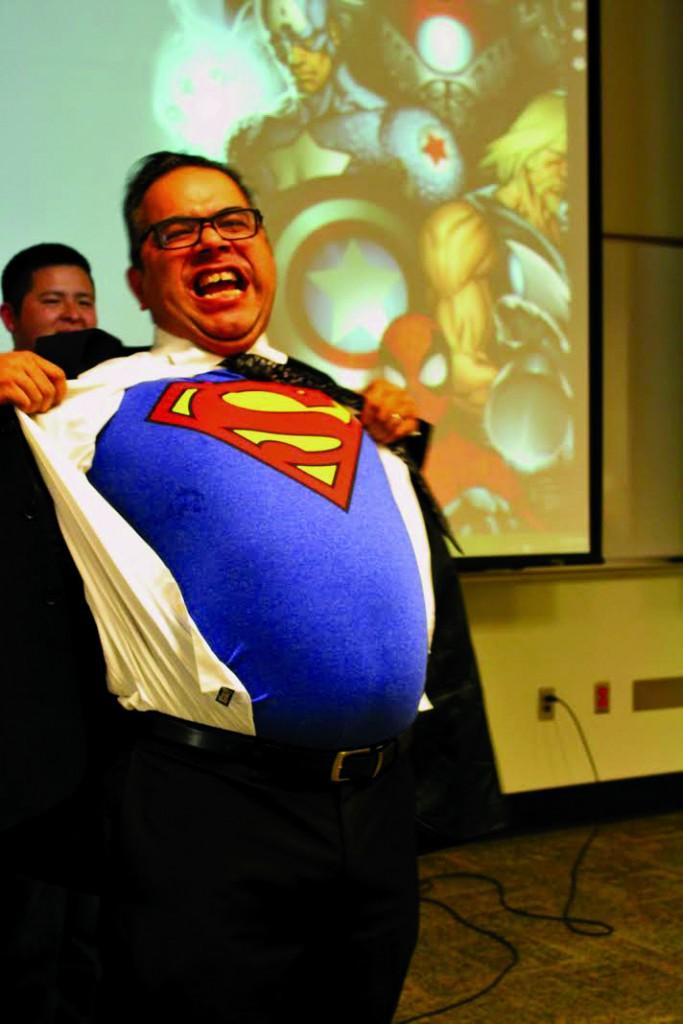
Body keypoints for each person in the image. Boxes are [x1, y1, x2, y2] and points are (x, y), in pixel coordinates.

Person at [17, 152, 504, 1023]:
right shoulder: (87, 399)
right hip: (208, 808)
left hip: (376, 806)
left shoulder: (341, 405)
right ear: (138, 276)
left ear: (267, 247)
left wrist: (398, 433)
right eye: (177, 232)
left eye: (231, 221)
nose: (210, 241)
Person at [0, 244, 138, 1023]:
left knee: (99, 933)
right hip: (24, 720)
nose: (74, 316)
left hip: (108, 707)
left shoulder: (111, 402)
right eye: (53, 301)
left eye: (83, 300)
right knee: (27, 933)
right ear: (12, 317)